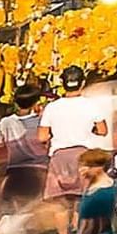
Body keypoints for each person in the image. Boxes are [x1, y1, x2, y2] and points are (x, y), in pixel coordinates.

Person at [39, 66, 111, 202]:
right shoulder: (91, 105)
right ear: (82, 83)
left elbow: (42, 136)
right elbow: (103, 131)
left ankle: (61, 224)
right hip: (84, 157)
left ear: (62, 83)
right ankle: (77, 223)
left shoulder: (52, 107)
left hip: (59, 158)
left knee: (59, 202)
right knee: (81, 200)